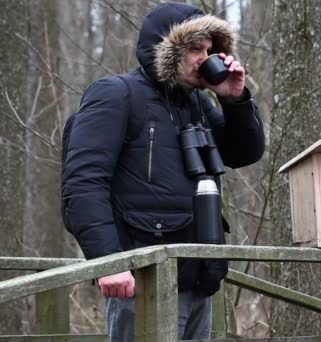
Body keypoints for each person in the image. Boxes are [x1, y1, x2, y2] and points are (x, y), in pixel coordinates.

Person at [61, 2, 265, 341]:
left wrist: (235, 100)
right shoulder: (116, 94)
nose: (205, 58)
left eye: (210, 50)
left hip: (199, 274)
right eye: (196, 49)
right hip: (144, 278)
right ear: (167, 50)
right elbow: (83, 182)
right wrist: (108, 262)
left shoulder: (197, 103)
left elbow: (243, 153)